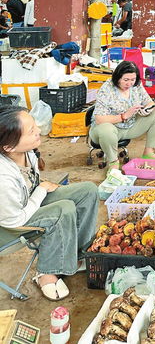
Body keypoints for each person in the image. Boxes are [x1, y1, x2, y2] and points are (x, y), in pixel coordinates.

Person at [0, 105, 99, 300]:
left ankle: (76, 255)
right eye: (31, 131)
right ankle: (47, 273)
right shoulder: (3, 177)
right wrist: (41, 191)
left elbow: (33, 187)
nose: (38, 131)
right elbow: (13, 221)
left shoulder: (26, 152)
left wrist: (40, 190)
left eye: (34, 126)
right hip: (9, 227)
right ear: (8, 147)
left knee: (88, 190)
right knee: (64, 209)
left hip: (29, 203)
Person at [89, 61, 155, 171]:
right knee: (106, 128)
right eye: (126, 80)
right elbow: (99, 119)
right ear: (117, 77)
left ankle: (148, 152)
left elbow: (149, 102)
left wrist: (147, 110)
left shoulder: (136, 85)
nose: (129, 83)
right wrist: (123, 116)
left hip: (130, 126)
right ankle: (113, 161)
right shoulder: (107, 89)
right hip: (108, 129)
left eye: (132, 80)